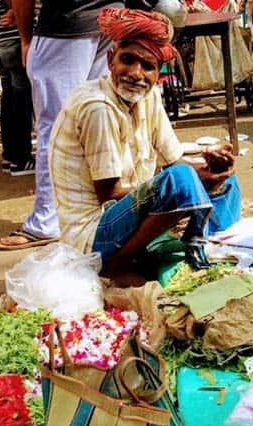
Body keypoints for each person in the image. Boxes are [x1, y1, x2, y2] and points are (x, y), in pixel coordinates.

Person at [48, 8, 241, 275]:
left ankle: (210, 243)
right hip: (93, 233)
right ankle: (118, 263)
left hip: (127, 212)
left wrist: (210, 162)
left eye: (148, 67)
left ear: (157, 73)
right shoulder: (97, 107)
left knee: (224, 177)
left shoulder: (148, 95)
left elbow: (174, 157)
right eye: (127, 60)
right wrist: (188, 178)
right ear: (110, 60)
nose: (136, 73)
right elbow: (109, 192)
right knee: (182, 179)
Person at [0, 0, 120, 250]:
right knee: (97, 118)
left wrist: (26, 38)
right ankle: (95, 211)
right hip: (110, 17)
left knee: (56, 127)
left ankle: (46, 222)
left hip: (66, 22)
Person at [0, 0, 34, 175]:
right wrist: (15, 11)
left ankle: (10, 155)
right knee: (22, 98)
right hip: (13, 37)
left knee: (10, 96)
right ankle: (21, 159)